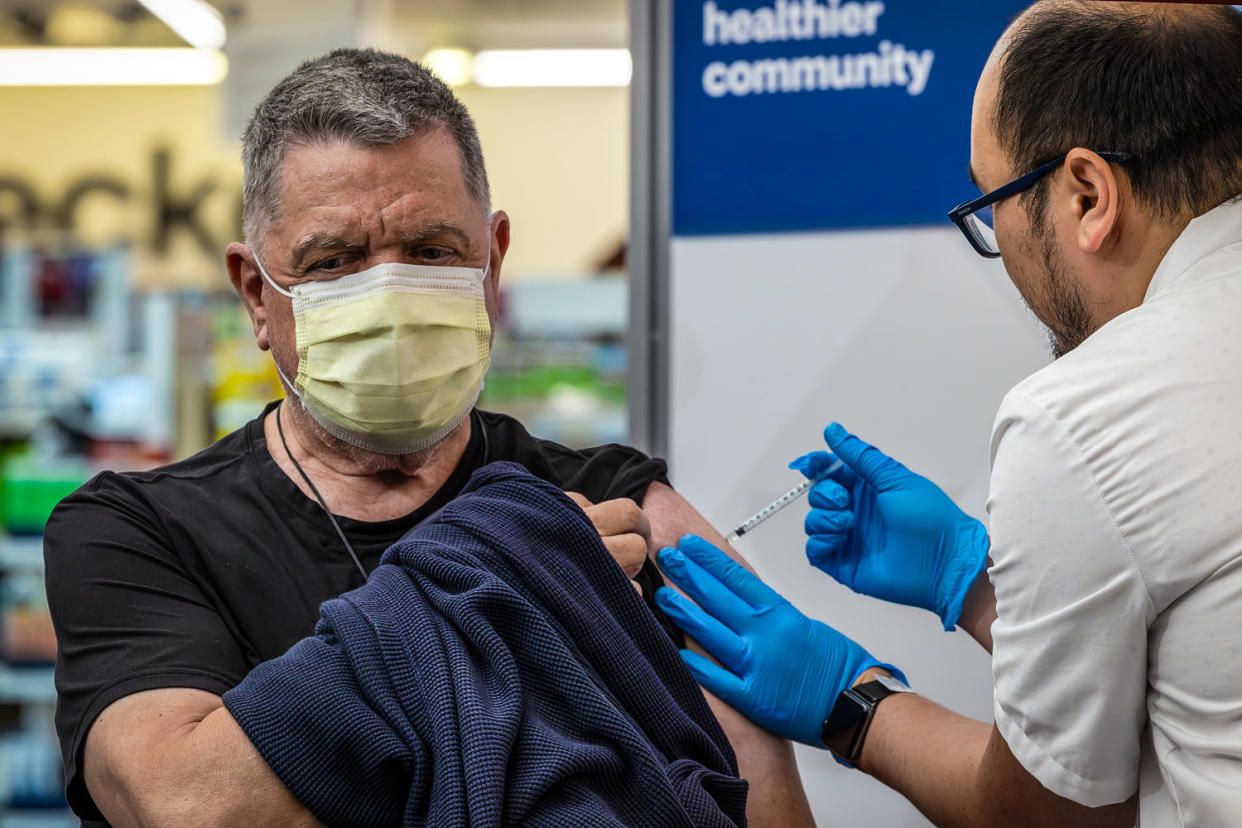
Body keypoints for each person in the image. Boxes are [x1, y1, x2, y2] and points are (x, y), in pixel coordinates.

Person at [43, 49, 812, 827]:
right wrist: (497, 582)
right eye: (333, 262)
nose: (391, 296)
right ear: (255, 295)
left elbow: (761, 810)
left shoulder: (621, 509)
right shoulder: (139, 535)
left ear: (491, 263)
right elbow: (188, 807)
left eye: (433, 253)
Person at [655, 2, 1242, 826]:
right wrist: (975, 587)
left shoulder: (1082, 416)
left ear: (1086, 195)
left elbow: (1053, 818)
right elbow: (1193, 686)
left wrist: (847, 701)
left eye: (992, 204)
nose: (999, 249)